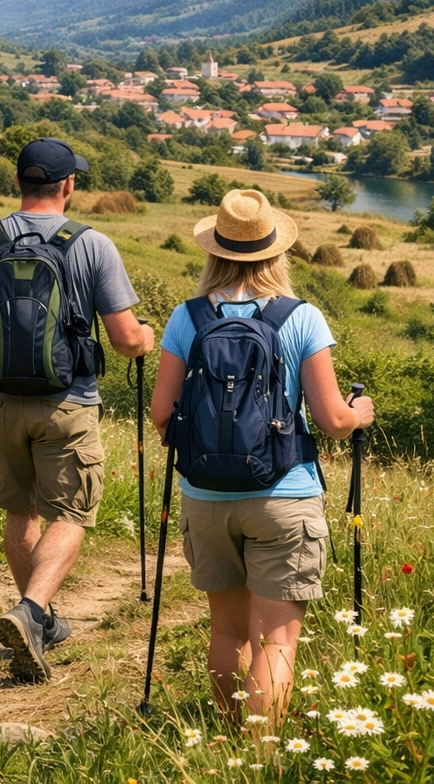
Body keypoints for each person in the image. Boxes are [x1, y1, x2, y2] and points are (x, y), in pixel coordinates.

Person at [149, 189, 375, 725]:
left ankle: (229, 743)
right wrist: (359, 412)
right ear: (276, 252)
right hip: (284, 495)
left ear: (214, 250)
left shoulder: (187, 318)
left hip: (205, 497)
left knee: (227, 631)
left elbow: (162, 414)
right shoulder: (302, 318)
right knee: (275, 641)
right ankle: (261, 758)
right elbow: (332, 421)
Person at [0, 137, 156, 683]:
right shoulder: (92, 244)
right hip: (67, 402)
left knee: (21, 513)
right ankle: (33, 612)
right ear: (68, 186)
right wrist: (146, 340)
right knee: (71, 514)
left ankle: (37, 615)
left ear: (18, 184)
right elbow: (127, 339)